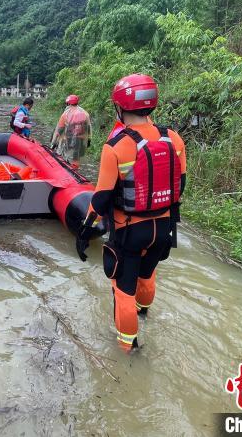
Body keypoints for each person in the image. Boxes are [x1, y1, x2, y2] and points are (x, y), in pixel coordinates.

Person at [75, 74, 186, 353]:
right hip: (163, 229)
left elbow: (100, 199)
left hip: (129, 231)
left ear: (120, 106)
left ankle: (129, 349)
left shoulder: (116, 147)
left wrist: (85, 230)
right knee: (147, 275)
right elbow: (180, 184)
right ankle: (145, 313)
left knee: (123, 288)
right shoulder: (174, 139)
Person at [50, 94, 92, 169]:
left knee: (65, 159)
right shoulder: (85, 113)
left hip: (69, 141)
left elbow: (59, 130)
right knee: (76, 160)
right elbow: (89, 128)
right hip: (81, 142)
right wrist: (89, 140)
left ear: (68, 103)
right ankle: (75, 173)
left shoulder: (65, 114)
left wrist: (53, 143)